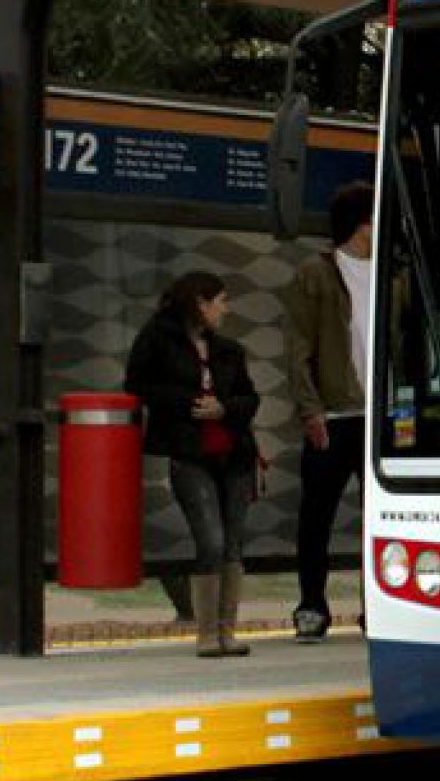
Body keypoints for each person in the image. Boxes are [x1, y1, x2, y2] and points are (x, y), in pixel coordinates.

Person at [126, 271, 260, 658]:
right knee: (211, 539)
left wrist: (224, 408)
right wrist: (186, 403)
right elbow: (137, 385)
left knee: (233, 541)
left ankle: (226, 632)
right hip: (188, 452)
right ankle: (205, 632)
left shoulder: (229, 350)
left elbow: (250, 399)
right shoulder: (158, 337)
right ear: (201, 303)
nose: (225, 308)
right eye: (220, 300)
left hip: (234, 454)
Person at [283, 181, 375, 642]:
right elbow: (298, 347)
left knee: (380, 518)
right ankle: (312, 605)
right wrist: (309, 409)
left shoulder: (391, 274)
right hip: (332, 415)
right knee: (316, 514)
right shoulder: (315, 275)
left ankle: (374, 605)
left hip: (381, 418)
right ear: (362, 225)